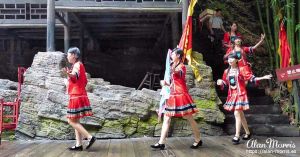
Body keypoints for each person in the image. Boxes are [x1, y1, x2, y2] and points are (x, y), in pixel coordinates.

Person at [150, 48, 202, 150]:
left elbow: (178, 74)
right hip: (173, 95)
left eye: (173, 54)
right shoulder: (173, 65)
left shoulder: (181, 66)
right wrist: (166, 83)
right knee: (167, 118)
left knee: (189, 118)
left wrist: (171, 68)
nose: (171, 56)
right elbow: (174, 83)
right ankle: (161, 142)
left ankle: (198, 139)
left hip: (181, 95)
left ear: (178, 56)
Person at [217, 52, 272, 144]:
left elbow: (251, 78)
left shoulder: (241, 69)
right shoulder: (226, 71)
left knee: (236, 113)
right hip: (232, 94)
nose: (230, 60)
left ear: (237, 60)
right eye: (229, 59)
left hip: (240, 94)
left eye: (232, 59)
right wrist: (220, 82)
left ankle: (237, 136)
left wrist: (263, 77)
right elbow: (225, 83)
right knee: (240, 115)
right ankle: (247, 132)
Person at [63, 47, 96, 151]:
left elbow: (75, 76)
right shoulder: (78, 65)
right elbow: (83, 81)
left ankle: (90, 137)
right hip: (79, 94)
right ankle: (79, 145)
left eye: (68, 54)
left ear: (74, 55)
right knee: (76, 120)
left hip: (76, 96)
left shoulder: (77, 65)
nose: (67, 56)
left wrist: (68, 74)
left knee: (70, 121)